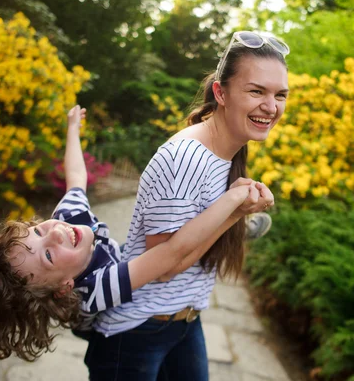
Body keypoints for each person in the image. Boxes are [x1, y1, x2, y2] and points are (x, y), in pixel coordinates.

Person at [0, 105, 266, 362]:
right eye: (48, 255)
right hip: (117, 339)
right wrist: (232, 204)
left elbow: (76, 177)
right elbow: (166, 257)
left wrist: (71, 128)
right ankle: (238, 227)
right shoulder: (95, 290)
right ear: (66, 286)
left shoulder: (67, 220)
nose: (53, 234)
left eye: (38, 230)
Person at [83, 31, 290, 380]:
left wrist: (235, 211)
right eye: (257, 91)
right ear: (220, 93)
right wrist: (233, 211)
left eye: (280, 95)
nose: (271, 107)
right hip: (137, 330)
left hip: (184, 318)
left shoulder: (231, 143)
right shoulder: (184, 159)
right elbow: (163, 265)